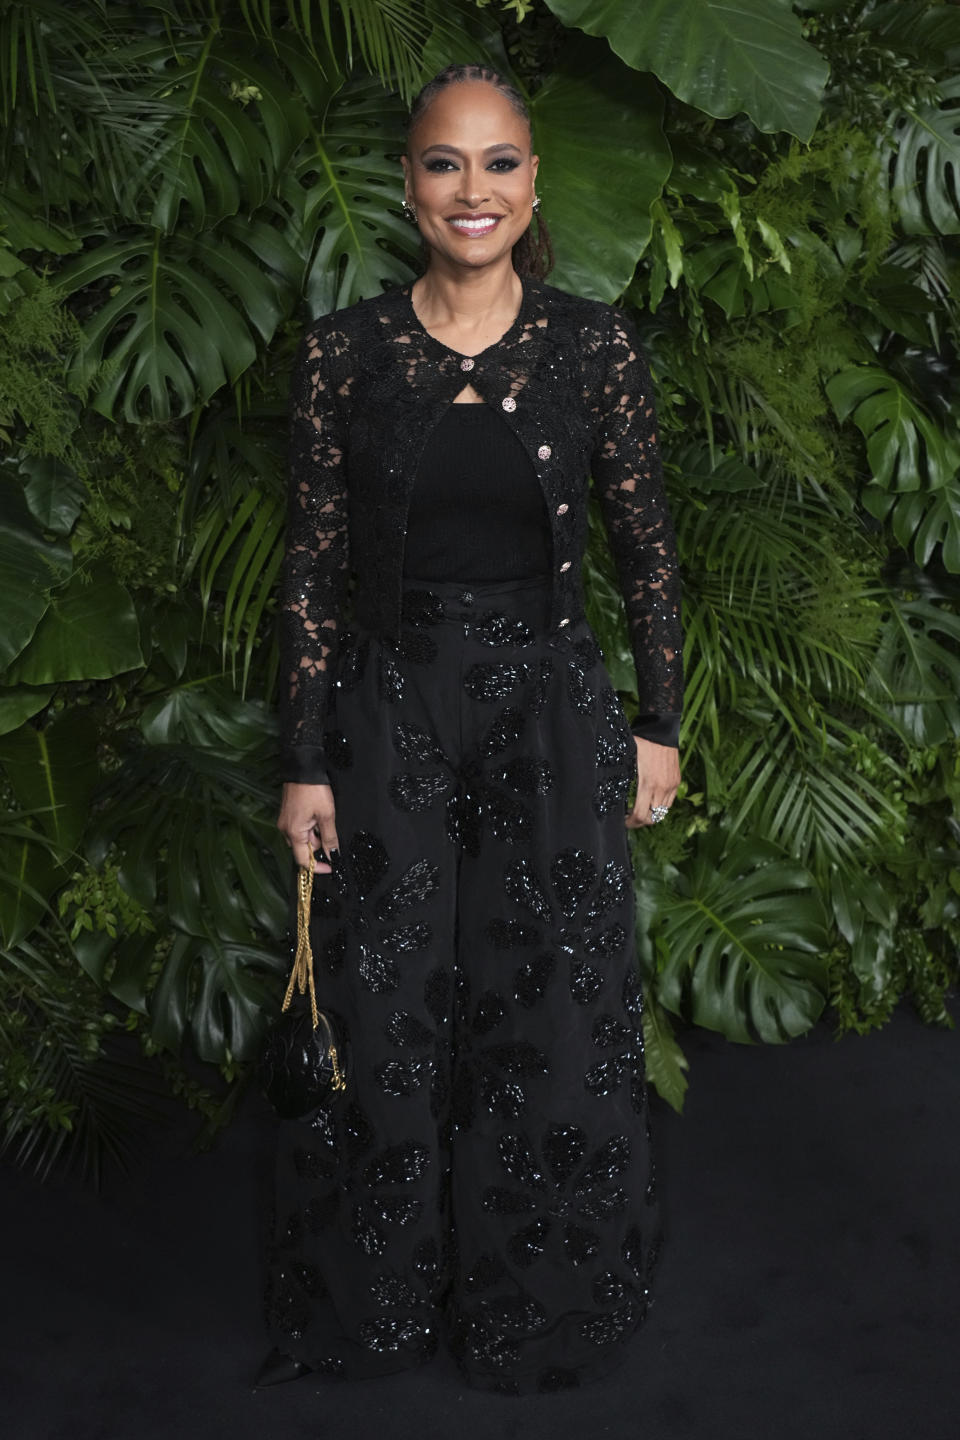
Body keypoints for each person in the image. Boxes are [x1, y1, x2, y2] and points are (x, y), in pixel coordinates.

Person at [258, 61, 683, 1397]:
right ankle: (375, 1310)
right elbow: (313, 575)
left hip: (551, 712)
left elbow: (649, 555)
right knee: (383, 1010)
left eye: (500, 163)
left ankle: (539, 1311)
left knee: (553, 1009)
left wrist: (658, 727)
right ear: (407, 185)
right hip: (389, 709)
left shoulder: (595, 351)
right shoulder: (344, 357)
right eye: (446, 163)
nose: (473, 190)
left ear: (535, 184)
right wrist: (303, 761)